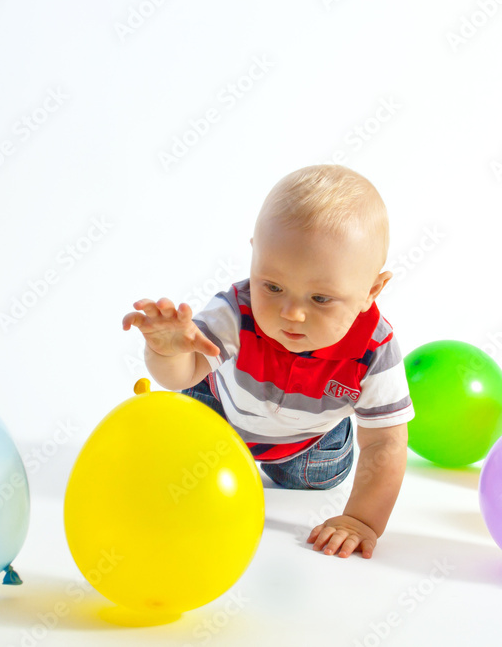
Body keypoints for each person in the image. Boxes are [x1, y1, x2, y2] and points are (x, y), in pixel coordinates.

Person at [121, 164, 413, 559]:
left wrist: (361, 520)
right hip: (221, 420)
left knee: (324, 475)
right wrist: (167, 352)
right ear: (255, 254)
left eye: (321, 299)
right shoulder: (236, 312)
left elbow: (384, 442)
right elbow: (182, 376)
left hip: (311, 450)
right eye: (272, 287)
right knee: (177, 460)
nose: (291, 313)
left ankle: (308, 460)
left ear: (371, 290)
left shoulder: (375, 349)